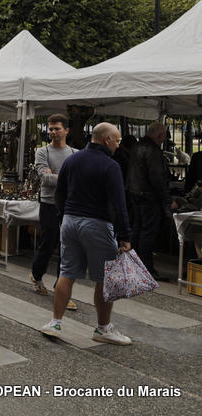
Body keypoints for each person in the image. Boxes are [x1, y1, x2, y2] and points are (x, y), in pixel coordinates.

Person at [40, 122, 133, 346]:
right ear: (107, 140)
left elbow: (59, 192)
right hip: (97, 223)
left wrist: (64, 216)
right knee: (105, 278)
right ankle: (103, 328)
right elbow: (119, 204)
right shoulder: (110, 166)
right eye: (117, 141)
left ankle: (55, 322)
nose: (118, 145)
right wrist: (125, 235)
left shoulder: (72, 159)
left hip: (70, 221)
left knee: (67, 272)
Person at [30, 114, 78, 311]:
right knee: (48, 243)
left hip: (69, 205)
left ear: (66, 130)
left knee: (67, 247)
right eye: (50, 129)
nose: (53, 132)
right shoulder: (42, 152)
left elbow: (77, 179)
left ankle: (61, 290)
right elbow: (45, 179)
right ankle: (36, 275)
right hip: (49, 203)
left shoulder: (75, 154)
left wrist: (56, 177)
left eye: (57, 128)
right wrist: (67, 178)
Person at [126, 122, 176, 282]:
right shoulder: (152, 150)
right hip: (148, 196)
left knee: (137, 230)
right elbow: (157, 178)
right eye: (163, 137)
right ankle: (146, 268)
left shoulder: (136, 146)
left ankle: (135, 266)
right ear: (160, 135)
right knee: (147, 233)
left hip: (135, 193)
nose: (164, 140)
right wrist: (168, 200)